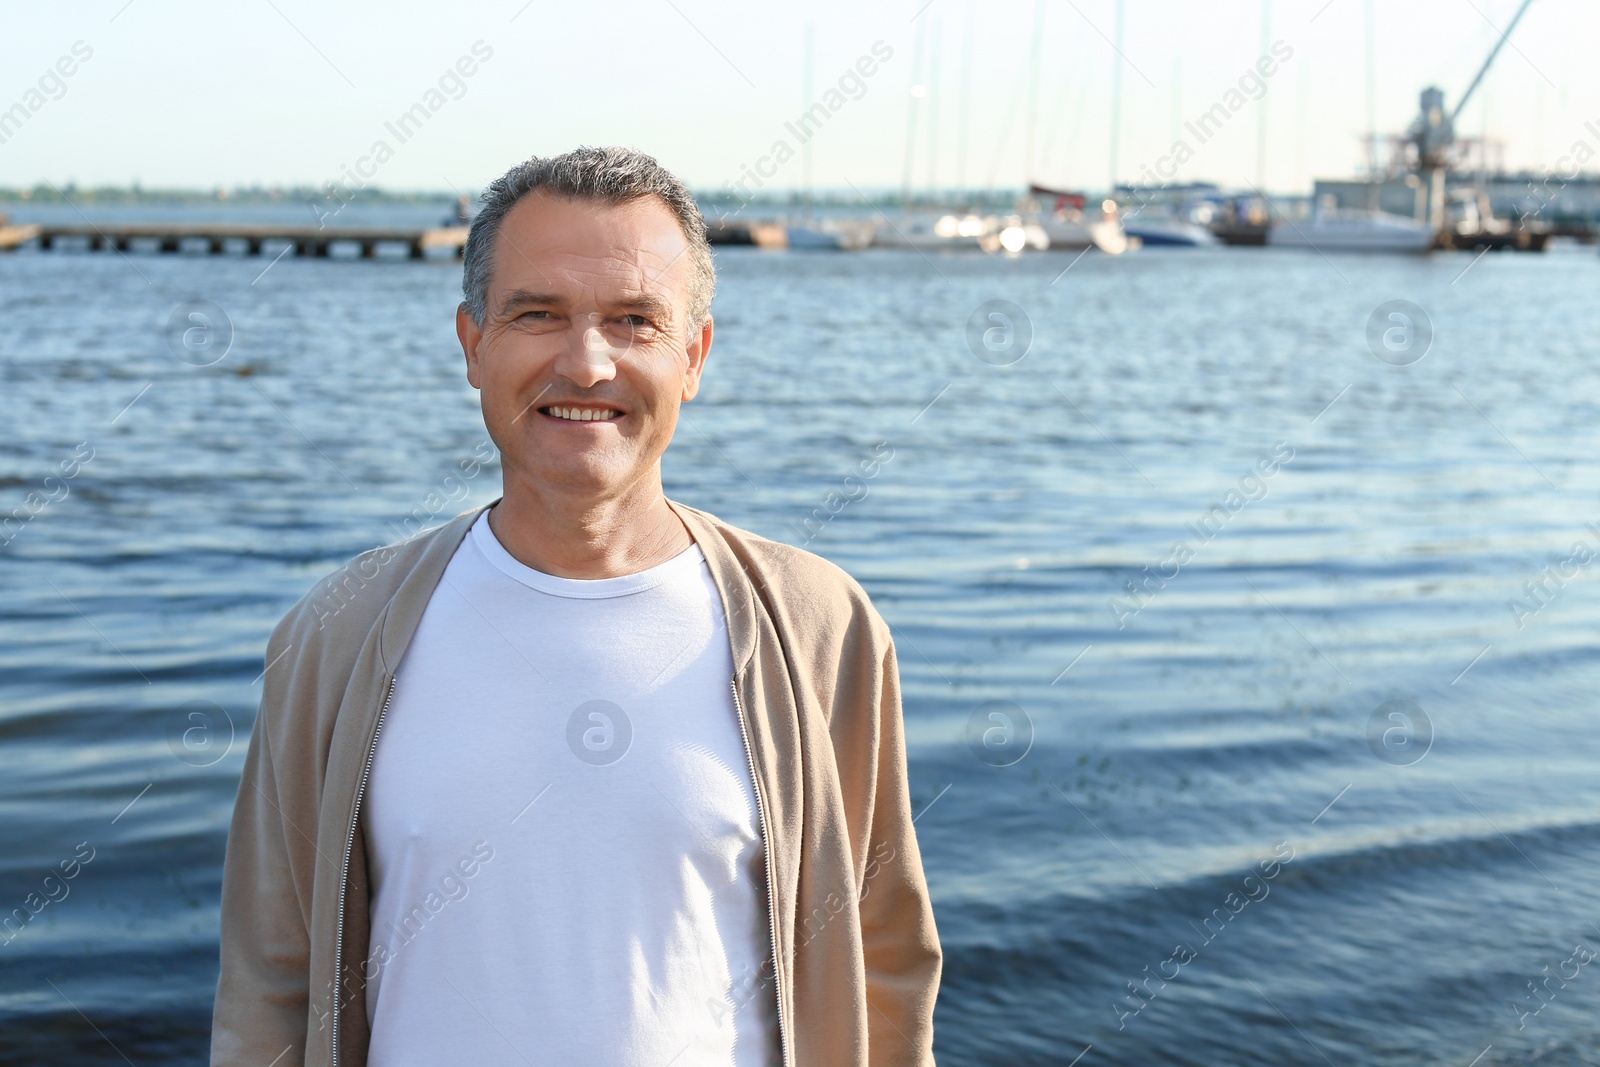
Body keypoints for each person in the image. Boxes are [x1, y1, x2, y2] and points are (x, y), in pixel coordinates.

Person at [210, 146, 941, 1066]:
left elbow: (880, 962)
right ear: (474, 344)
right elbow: (271, 980)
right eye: (537, 314)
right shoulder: (337, 634)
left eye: (635, 320)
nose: (586, 362)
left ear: (694, 356)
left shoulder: (821, 628)